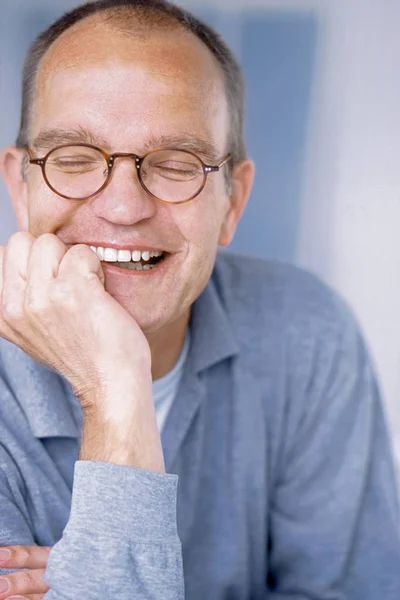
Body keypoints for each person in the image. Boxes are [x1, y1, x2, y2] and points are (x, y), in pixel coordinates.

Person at [0, 0, 399, 598]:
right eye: (76, 161)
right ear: (18, 185)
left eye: (174, 164)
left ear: (232, 203)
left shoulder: (308, 332)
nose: (122, 207)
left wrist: (114, 392)